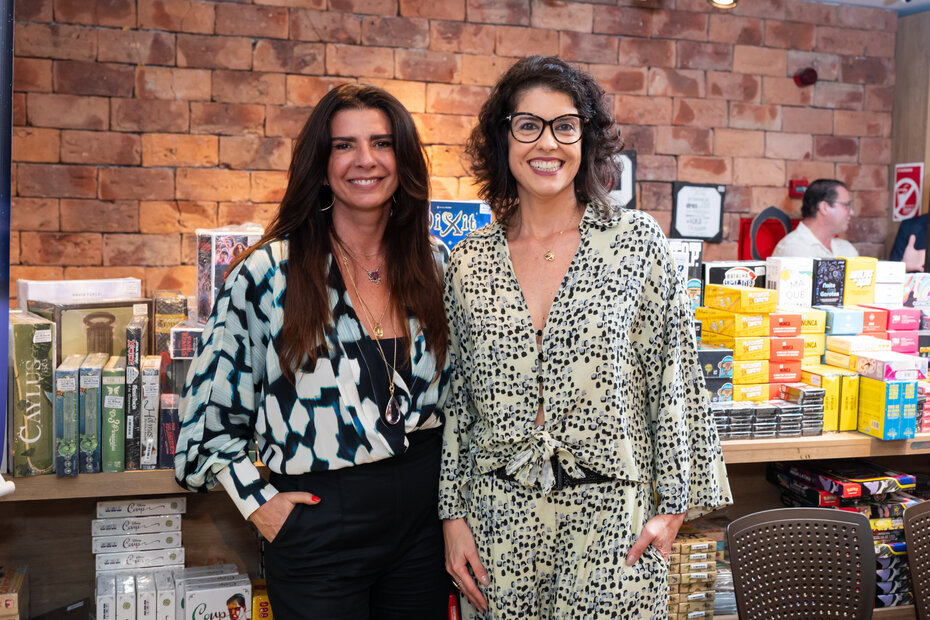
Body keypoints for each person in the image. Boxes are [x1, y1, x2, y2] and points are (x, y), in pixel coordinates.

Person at [440, 55, 732, 619]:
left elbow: (673, 375)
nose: (546, 143)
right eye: (528, 125)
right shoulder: (469, 261)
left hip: (612, 523)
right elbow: (459, 402)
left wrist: (671, 509)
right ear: (502, 139)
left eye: (565, 125)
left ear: (587, 139)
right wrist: (454, 520)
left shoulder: (636, 243)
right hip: (498, 519)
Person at [174, 83, 452, 620]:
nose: (365, 159)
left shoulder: (433, 266)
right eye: (344, 145)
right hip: (320, 526)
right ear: (320, 166)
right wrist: (262, 506)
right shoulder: (266, 274)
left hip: (423, 525)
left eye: (382, 143)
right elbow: (207, 423)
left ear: (404, 161)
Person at [770, 179, 859, 259]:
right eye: (846, 206)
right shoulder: (794, 250)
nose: (851, 212)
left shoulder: (846, 249)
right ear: (824, 207)